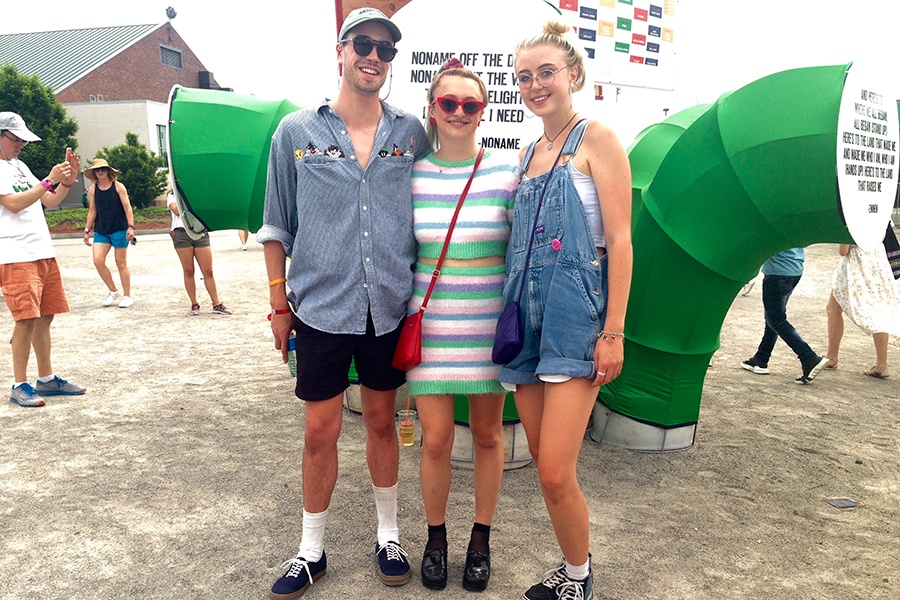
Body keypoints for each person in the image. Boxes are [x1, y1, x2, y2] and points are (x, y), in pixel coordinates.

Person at [257, 8, 429, 599]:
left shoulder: (410, 133)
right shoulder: (296, 132)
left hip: (388, 305)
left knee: (383, 421)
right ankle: (311, 550)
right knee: (319, 431)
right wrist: (279, 307)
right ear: (340, 49)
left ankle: (388, 534)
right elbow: (277, 225)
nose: (373, 57)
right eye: (364, 44)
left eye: (385, 50)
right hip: (320, 309)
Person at [500, 22, 633, 600]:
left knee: (554, 471)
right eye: (525, 77)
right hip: (524, 317)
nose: (535, 85)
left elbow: (622, 241)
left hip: (576, 319)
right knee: (541, 464)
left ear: (573, 75)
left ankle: (579, 580)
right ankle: (572, 569)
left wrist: (614, 332)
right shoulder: (529, 150)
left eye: (546, 73)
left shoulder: (597, 138)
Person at [405, 58, 519, 592]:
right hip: (429, 322)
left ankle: (480, 540)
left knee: (490, 436)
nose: (458, 112)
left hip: (487, 322)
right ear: (433, 109)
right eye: (447, 103)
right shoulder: (412, 173)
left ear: (483, 111)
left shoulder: (506, 170)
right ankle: (435, 539)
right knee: (436, 439)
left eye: (469, 104)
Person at [0, 111, 86, 407]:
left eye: (23, 140)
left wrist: (65, 182)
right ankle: (19, 384)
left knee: (45, 315)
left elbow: (47, 201)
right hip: (16, 253)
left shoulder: (20, 166)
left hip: (41, 250)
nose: (21, 144)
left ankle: (46, 379)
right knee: (25, 318)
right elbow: (13, 204)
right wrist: (49, 179)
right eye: (15, 139)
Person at [741, 248, 830, 383]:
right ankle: (761, 359)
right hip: (793, 269)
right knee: (773, 317)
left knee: (776, 320)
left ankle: (809, 357)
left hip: (778, 272)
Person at [824, 242, 900, 378]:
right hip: (878, 261)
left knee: (833, 309)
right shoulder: (881, 219)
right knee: (879, 309)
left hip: (856, 265)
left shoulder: (850, 220)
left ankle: (832, 356)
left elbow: (843, 250)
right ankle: (881, 363)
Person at [167, 189, 232, 316]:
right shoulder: (172, 194)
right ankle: (194, 304)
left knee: (208, 270)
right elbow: (176, 210)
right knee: (188, 270)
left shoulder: (198, 191)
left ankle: (216, 303)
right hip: (181, 233)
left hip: (200, 231)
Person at [82, 159, 135, 308]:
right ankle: (113, 291)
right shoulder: (93, 189)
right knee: (98, 260)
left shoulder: (118, 187)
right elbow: (93, 211)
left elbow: (128, 208)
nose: (100, 172)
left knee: (121, 263)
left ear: (108, 171)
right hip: (101, 230)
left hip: (119, 229)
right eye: (97, 170)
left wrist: (130, 227)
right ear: (94, 173)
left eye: (103, 169)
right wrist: (87, 230)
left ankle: (127, 296)